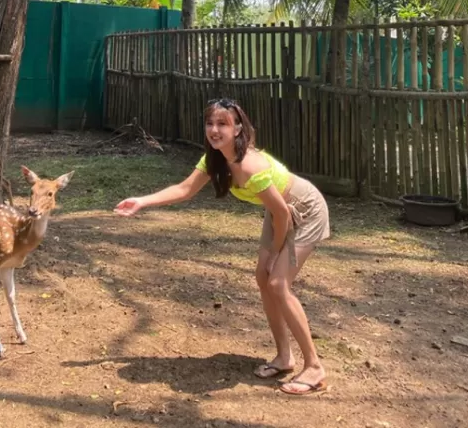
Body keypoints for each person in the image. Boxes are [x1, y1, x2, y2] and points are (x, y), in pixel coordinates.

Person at [114, 98, 330, 396]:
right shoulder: (215, 158)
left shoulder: (250, 166)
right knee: (262, 278)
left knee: (278, 282)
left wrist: (276, 254)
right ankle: (284, 356)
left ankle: (315, 367)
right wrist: (142, 201)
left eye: (222, 124)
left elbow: (283, 215)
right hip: (279, 211)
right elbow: (184, 190)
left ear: (238, 128)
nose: (214, 130)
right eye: (210, 123)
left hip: (304, 210)